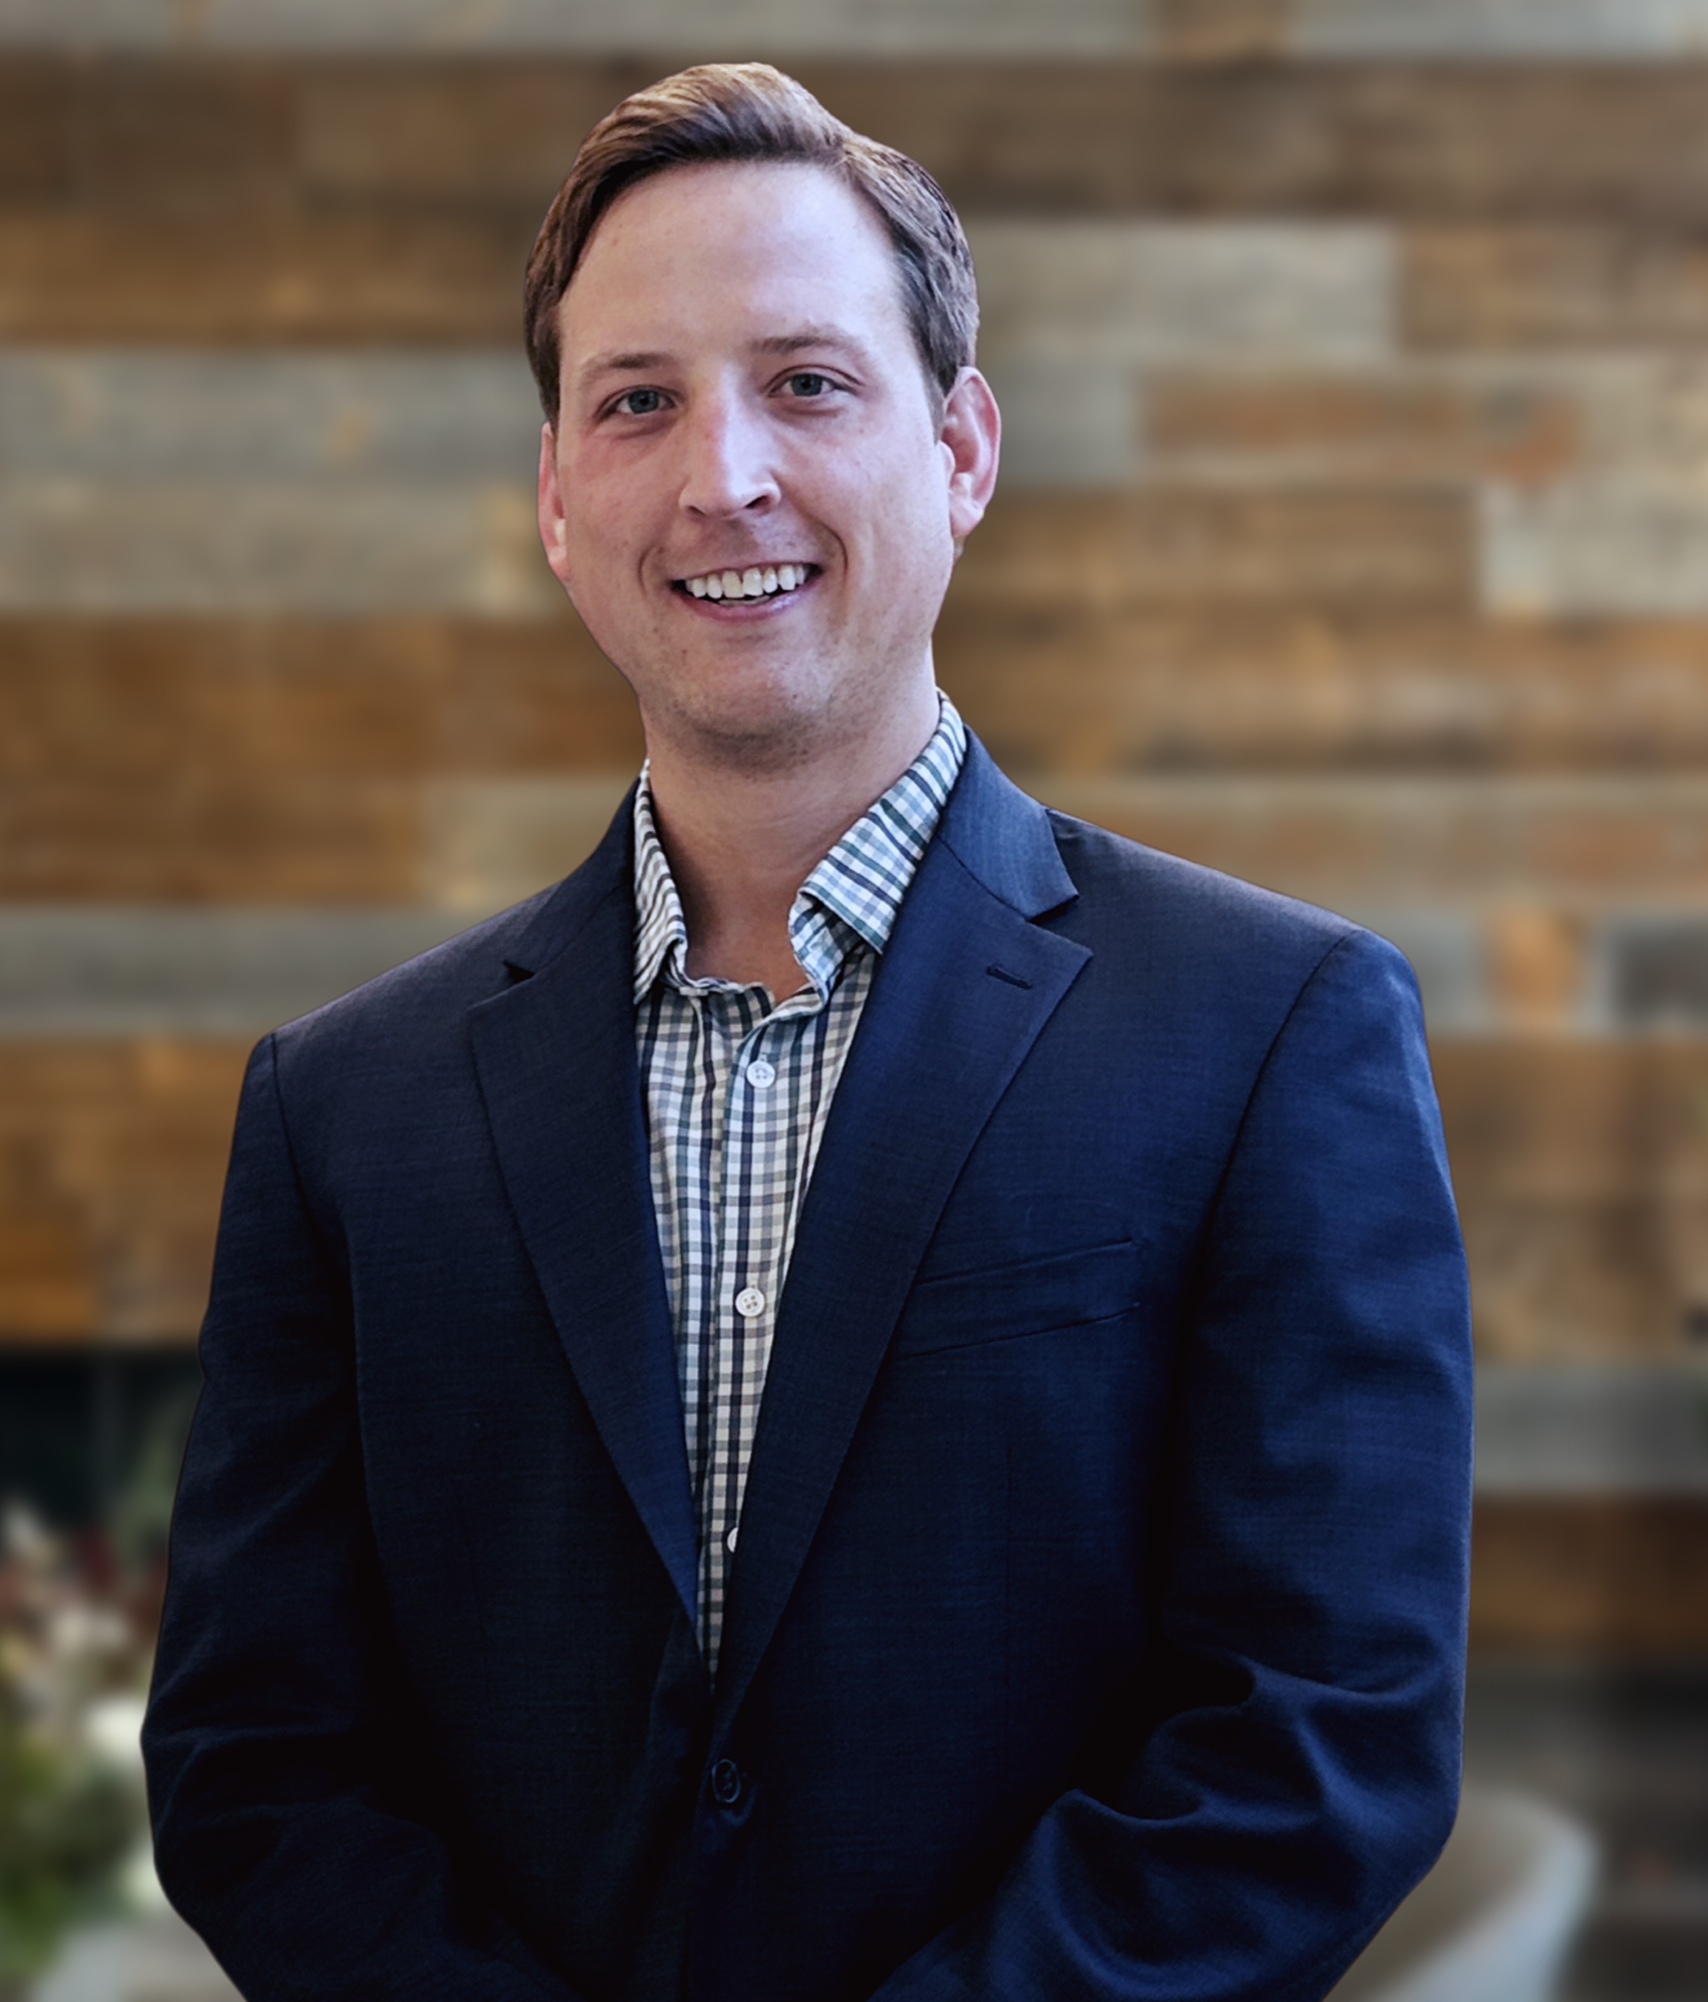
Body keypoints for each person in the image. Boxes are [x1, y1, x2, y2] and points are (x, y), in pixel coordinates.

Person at [144, 62, 1472, 2002]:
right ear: (552, 494)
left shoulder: (1272, 1031)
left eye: (806, 381)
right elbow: (257, 1763)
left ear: (961, 449)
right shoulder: (345, 1110)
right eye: (636, 400)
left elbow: (1317, 1736)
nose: (720, 475)